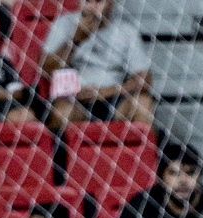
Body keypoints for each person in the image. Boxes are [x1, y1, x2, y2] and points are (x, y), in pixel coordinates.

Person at [40, 0, 154, 130]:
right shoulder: (65, 23)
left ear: (111, 3)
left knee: (143, 104)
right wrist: (76, 40)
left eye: (99, 1)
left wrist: (106, 92)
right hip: (75, 98)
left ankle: (139, 144)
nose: (93, 7)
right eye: (88, 1)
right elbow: (45, 68)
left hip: (114, 97)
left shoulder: (126, 30)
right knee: (62, 112)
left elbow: (144, 80)